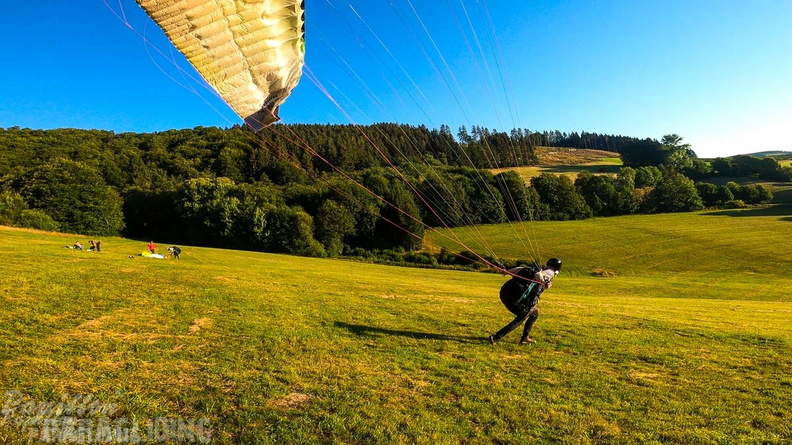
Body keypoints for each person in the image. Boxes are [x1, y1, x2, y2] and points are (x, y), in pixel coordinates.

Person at [489, 258, 562, 345]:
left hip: (505, 293)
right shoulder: (550, 272)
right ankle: (496, 337)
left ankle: (525, 337)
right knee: (522, 316)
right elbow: (538, 274)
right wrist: (543, 282)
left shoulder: (527, 269)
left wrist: (504, 271)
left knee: (534, 314)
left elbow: (510, 271)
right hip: (517, 298)